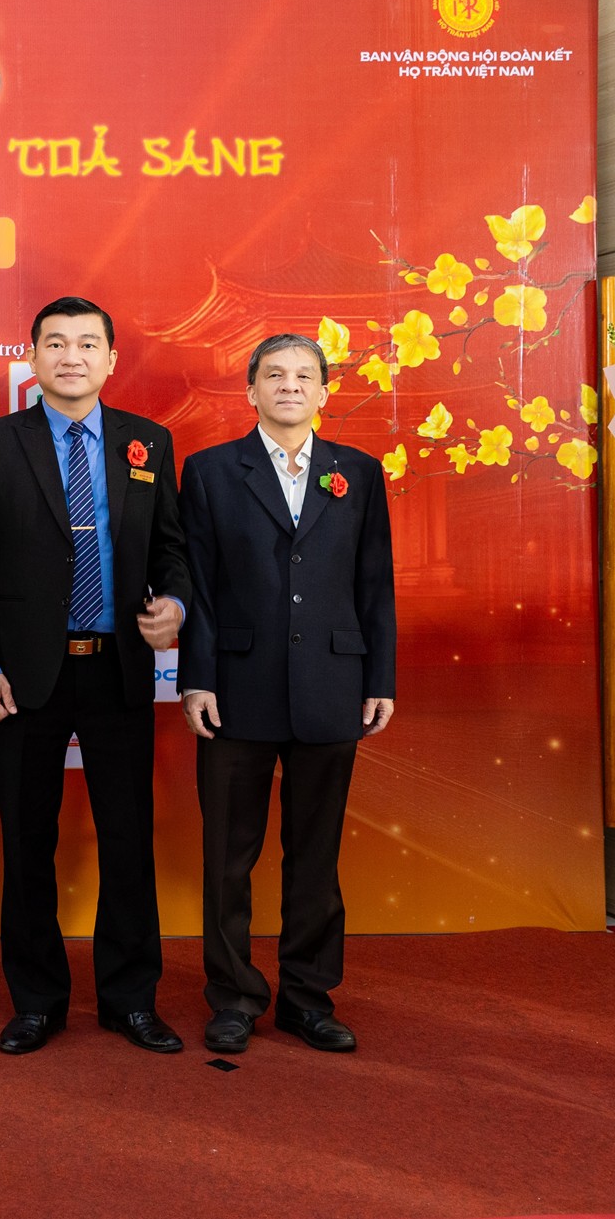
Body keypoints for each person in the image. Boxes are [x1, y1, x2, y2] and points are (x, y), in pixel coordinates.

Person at [0, 295, 190, 1056]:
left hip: (117, 669)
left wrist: (175, 603)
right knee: (28, 841)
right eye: (55, 343)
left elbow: (170, 550)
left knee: (128, 840)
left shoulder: (147, 442)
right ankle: (37, 1001)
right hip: (26, 676)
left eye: (87, 343)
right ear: (32, 357)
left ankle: (130, 999)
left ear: (111, 359)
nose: (71, 356)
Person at [179, 332, 396, 1055]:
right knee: (228, 859)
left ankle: (308, 998)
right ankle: (234, 997)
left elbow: (375, 583)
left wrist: (379, 678)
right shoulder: (210, 471)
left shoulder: (357, 472)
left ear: (325, 392)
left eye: (305, 375)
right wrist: (197, 677)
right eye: (275, 374)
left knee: (316, 858)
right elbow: (198, 585)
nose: (290, 386)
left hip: (333, 684)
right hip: (235, 689)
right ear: (251, 390)